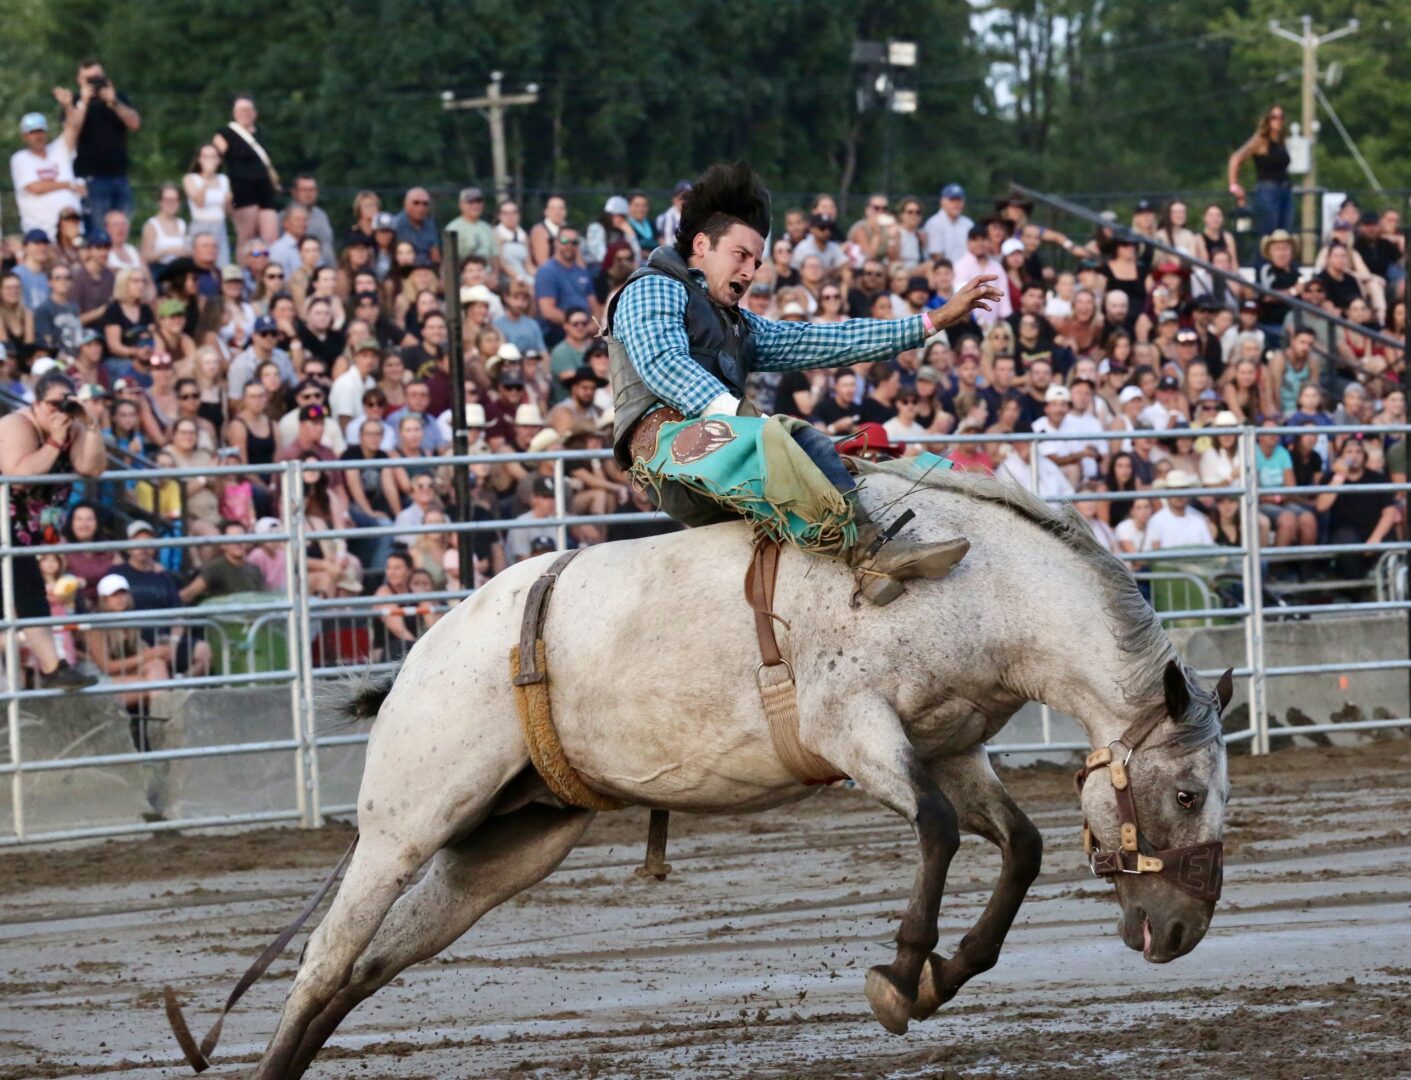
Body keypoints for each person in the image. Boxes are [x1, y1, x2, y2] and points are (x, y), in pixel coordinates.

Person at [606, 161, 1000, 606]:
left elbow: (821, 339)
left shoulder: (735, 322)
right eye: (740, 255)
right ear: (702, 245)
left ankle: (867, 555)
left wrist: (933, 320)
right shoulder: (655, 287)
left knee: (856, 461)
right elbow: (663, 363)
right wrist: (742, 417)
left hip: (715, 443)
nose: (751, 271)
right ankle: (872, 553)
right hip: (666, 446)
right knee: (793, 438)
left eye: (756, 261)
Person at [0, 370, 105, 687]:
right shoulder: (15, 425)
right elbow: (20, 473)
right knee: (28, 588)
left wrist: (90, 424)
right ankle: (51, 667)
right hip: (5, 530)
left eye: (66, 404)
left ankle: (51, 668)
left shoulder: (72, 426)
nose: (59, 411)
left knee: (28, 590)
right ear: (36, 403)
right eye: (52, 404)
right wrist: (54, 442)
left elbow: (92, 468)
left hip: (22, 534)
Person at [1314, 436, 1400, 581]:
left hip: (1375, 530)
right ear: (1341, 456)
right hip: (1345, 532)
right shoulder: (1331, 478)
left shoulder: (1377, 479)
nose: (1354, 456)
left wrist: (1375, 539)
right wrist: (1339, 476)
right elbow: (1321, 506)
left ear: (1364, 456)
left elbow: (1389, 512)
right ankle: (1356, 589)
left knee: (1391, 542)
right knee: (1346, 542)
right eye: (1349, 452)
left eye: (1358, 452)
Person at [212, 95, 279, 247]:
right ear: (234, 113)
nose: (245, 113)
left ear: (255, 113)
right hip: (242, 190)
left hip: (264, 190)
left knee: (271, 237)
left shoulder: (261, 133)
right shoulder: (225, 134)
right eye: (241, 110)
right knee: (246, 237)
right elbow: (214, 159)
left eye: (248, 110)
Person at [11, 112, 83, 240]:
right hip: (42, 232)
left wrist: (68, 106)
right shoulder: (20, 158)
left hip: (72, 231)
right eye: (32, 133)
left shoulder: (58, 150)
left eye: (40, 131)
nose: (38, 136)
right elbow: (35, 187)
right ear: (24, 137)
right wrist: (69, 184)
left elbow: (73, 128)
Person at [1227, 104, 1293, 241]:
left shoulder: (1282, 141)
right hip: (1268, 190)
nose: (1278, 121)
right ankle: (1262, 262)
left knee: (1284, 234)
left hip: (1285, 189)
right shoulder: (1261, 140)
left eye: (1281, 117)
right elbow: (1236, 158)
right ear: (1267, 120)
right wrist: (1234, 184)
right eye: (1274, 117)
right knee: (1268, 234)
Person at [179, 519, 269, 602]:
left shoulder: (255, 569)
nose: (238, 542)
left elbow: (262, 599)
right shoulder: (215, 568)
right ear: (223, 544)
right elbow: (188, 594)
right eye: (233, 539)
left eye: (242, 538)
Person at [183, 143, 233, 268]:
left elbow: (228, 212)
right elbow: (199, 202)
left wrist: (229, 201)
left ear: (219, 160)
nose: (209, 160)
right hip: (200, 224)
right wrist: (207, 177)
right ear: (199, 159)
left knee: (222, 264)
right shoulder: (191, 178)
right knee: (198, 264)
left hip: (219, 225)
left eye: (213, 157)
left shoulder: (224, 180)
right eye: (206, 157)